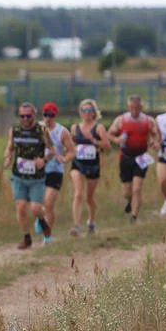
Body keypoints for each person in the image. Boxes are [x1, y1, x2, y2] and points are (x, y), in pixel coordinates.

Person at [3, 102, 56, 249]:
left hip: (36, 178)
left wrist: (43, 160)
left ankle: (43, 221)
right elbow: (9, 148)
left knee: (35, 208)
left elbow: (52, 151)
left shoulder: (42, 130)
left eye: (28, 116)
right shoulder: (14, 130)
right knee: (20, 207)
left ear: (34, 115)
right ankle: (27, 238)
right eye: (22, 116)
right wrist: (7, 157)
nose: (25, 119)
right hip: (18, 175)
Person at [107, 95, 159, 223]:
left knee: (137, 188)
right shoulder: (121, 120)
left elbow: (154, 134)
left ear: (141, 107)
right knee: (127, 192)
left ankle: (134, 217)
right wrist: (116, 140)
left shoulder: (148, 120)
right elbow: (109, 134)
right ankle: (129, 200)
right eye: (132, 108)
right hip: (125, 157)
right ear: (128, 107)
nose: (134, 110)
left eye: (137, 108)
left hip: (141, 157)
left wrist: (154, 142)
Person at [69, 99, 111, 236]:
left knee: (89, 197)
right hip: (78, 163)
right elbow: (69, 144)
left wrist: (94, 141)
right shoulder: (75, 128)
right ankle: (76, 226)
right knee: (78, 193)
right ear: (80, 113)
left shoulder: (98, 128)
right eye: (84, 110)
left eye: (89, 111)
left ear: (94, 113)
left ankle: (91, 222)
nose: (86, 113)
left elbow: (108, 146)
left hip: (92, 164)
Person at [38, 103, 74, 243]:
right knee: (37, 203)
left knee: (48, 203)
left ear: (55, 115)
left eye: (50, 115)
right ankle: (41, 218)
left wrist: (65, 159)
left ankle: (47, 236)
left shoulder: (62, 132)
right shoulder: (37, 128)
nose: (47, 118)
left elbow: (72, 150)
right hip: (38, 170)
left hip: (55, 170)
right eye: (45, 114)